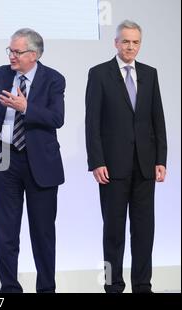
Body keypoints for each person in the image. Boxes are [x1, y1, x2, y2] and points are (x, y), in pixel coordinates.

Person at [0, 28, 65, 293]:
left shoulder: (53, 79)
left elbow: (56, 119)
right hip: (4, 159)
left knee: (42, 234)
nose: (12, 56)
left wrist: (26, 107)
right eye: (10, 50)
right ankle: (9, 289)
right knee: (5, 233)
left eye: (17, 52)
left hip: (39, 162)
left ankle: (46, 289)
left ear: (34, 54)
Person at [85, 20, 167, 293]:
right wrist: (96, 161)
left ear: (139, 44)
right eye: (125, 41)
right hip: (111, 167)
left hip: (145, 166)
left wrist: (161, 160)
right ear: (116, 43)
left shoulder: (150, 74)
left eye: (135, 42)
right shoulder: (99, 74)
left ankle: (143, 286)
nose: (130, 46)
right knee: (113, 233)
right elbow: (92, 122)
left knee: (144, 232)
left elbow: (158, 119)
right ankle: (112, 286)